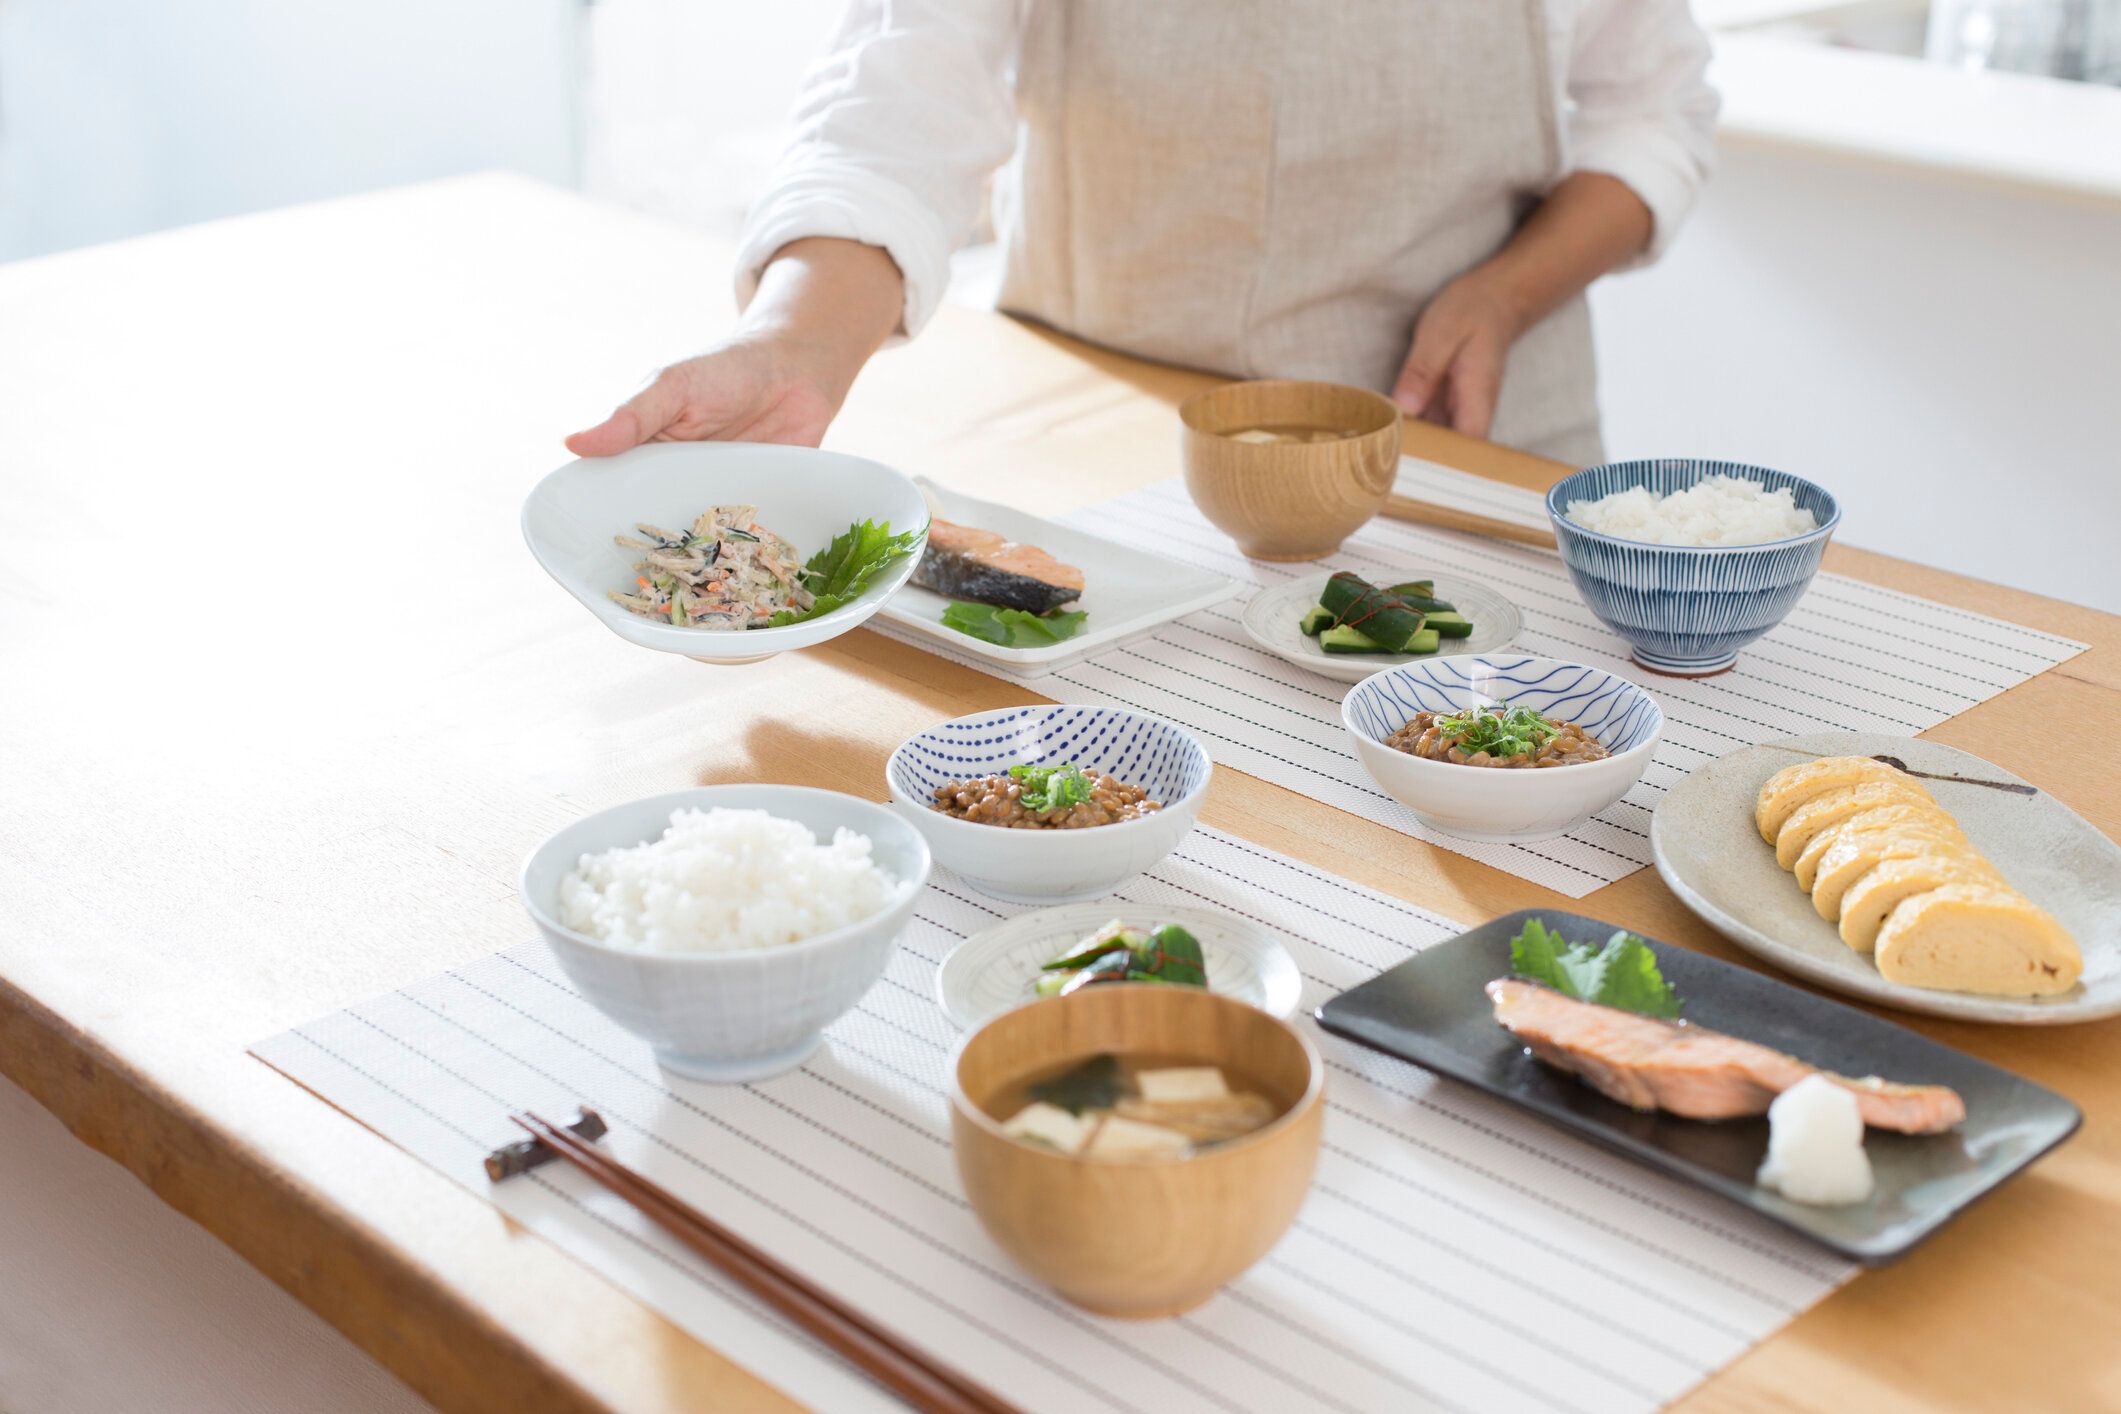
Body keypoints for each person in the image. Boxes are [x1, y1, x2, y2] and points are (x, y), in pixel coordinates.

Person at [567, 0, 1717, 468]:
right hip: (1104, 454)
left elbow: (1654, 113)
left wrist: (1507, 292)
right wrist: (793, 348)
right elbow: (898, 102)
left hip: (1459, 450)